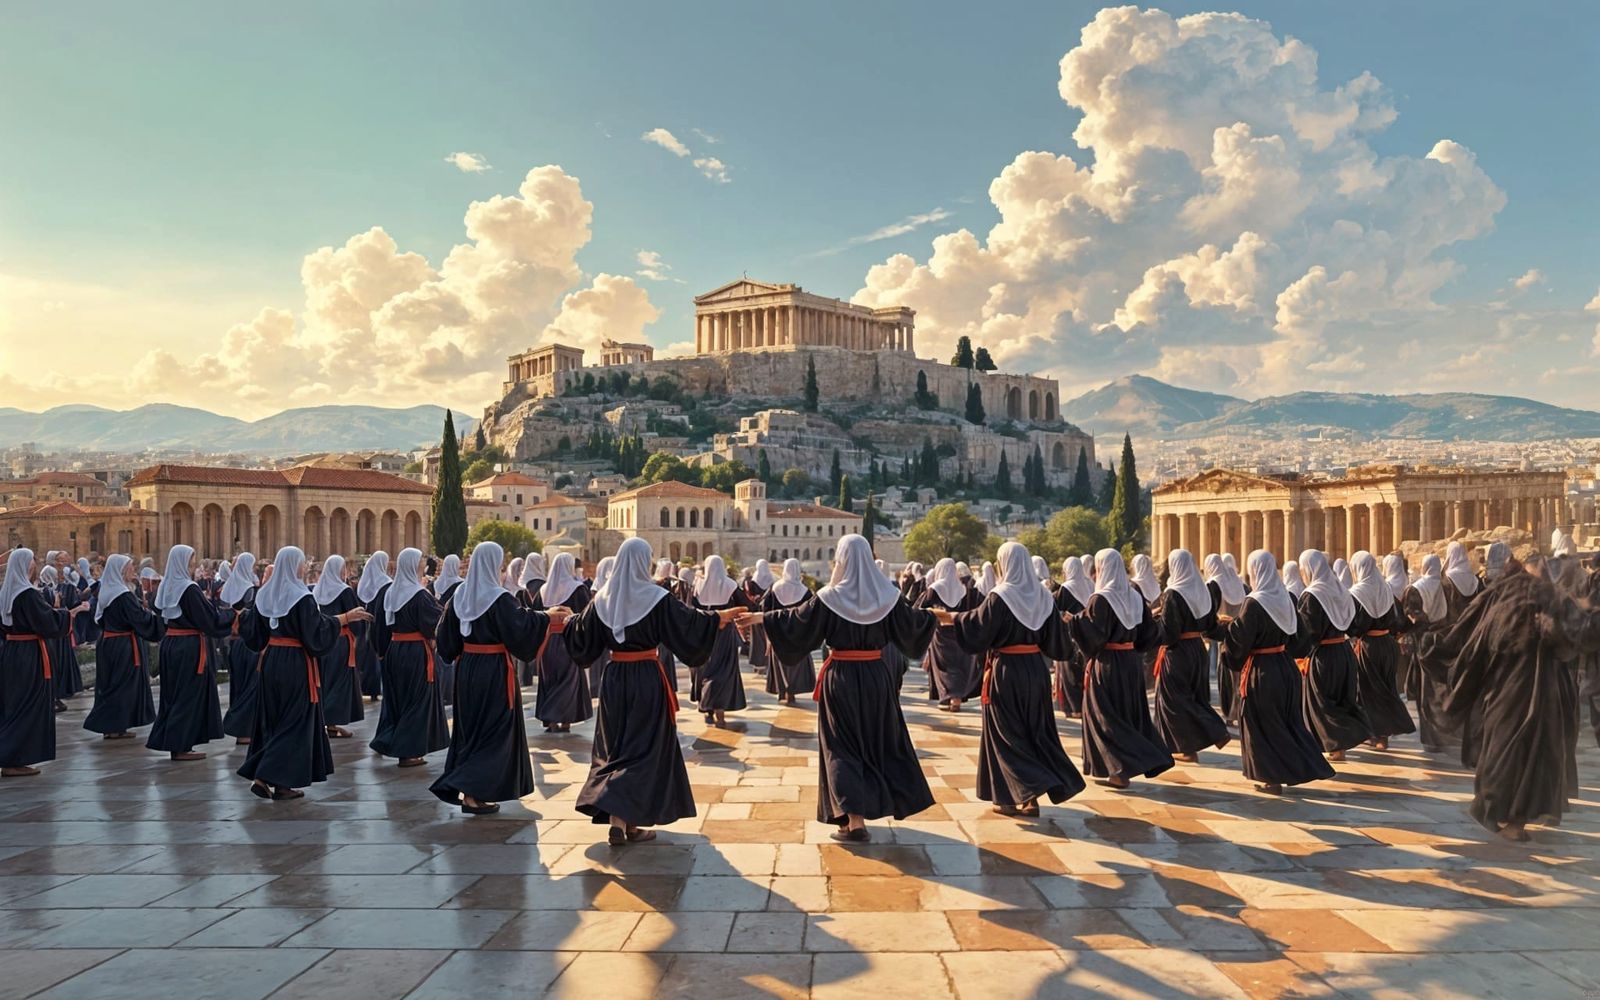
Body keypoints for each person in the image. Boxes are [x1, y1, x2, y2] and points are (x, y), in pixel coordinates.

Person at [749, 534, 938, 842]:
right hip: (877, 678)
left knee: (842, 746)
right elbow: (916, 623)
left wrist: (760, 618)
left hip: (842, 679)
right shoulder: (888, 598)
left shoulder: (829, 597)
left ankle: (854, 820)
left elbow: (796, 622)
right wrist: (942, 617)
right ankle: (875, 805)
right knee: (877, 741)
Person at [564, 537, 737, 844]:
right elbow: (690, 625)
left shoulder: (602, 598)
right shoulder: (656, 598)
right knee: (643, 749)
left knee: (615, 748)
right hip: (646, 678)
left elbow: (581, 639)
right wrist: (718, 619)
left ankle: (625, 822)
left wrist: (565, 622)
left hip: (614, 679)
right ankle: (621, 817)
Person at [1430, 550, 1598, 841]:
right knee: (1525, 749)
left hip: (1502, 686)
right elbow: (1564, 637)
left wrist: (1438, 649)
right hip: (1533, 686)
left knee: (1503, 747)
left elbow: (1475, 633)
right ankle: (1513, 820)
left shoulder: (1501, 593)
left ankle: (1503, 814)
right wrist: (1585, 613)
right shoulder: (1546, 597)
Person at [936, 542, 1085, 816]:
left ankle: (1012, 796)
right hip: (1036, 672)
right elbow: (1059, 645)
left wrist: (952, 618)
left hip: (1006, 672)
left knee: (1006, 734)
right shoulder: (1043, 596)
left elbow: (979, 628)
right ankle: (1030, 800)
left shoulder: (1000, 596)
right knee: (1033, 730)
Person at [430, 542, 565, 815]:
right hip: (494, 671)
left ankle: (470, 790)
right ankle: (471, 790)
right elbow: (521, 628)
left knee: (471, 729)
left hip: (466, 670)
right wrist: (547, 618)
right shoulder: (500, 598)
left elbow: (445, 641)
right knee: (494, 730)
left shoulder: (458, 597)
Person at [238, 546, 373, 799]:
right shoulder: (301, 597)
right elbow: (316, 634)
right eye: (302, 563)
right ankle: (267, 775)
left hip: (270, 661)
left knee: (274, 719)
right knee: (295, 720)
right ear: (294, 565)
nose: (304, 568)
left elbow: (255, 635)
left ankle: (277, 780)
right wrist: (344, 618)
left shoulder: (264, 594)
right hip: (295, 664)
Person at [1220, 550, 1335, 794]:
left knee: (1262, 725)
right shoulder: (1288, 598)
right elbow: (1301, 642)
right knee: (1286, 722)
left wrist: (1227, 630)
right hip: (1286, 668)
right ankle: (1301, 766)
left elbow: (1240, 642)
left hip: (1262, 672)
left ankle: (1271, 779)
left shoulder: (1254, 602)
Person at [1068, 549, 1171, 788]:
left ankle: (1120, 771)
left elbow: (1094, 636)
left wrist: (1073, 621)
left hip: (1107, 665)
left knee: (1106, 718)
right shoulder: (1135, 596)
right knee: (1124, 715)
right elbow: (1147, 635)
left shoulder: (1101, 599)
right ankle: (1125, 767)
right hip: (1131, 662)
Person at [146, 544, 234, 761]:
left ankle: (175, 742)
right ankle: (181, 745)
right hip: (188, 647)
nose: (193, 566)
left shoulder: (166, 587)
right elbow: (207, 618)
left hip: (171, 644)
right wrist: (232, 616)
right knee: (187, 694)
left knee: (174, 694)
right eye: (191, 561)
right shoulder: (188, 588)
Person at [1, 550, 84, 775]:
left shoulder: (6, 594)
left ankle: (13, 757)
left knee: (16, 704)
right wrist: (69, 614)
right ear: (27, 566)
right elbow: (46, 622)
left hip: (11, 653)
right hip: (29, 654)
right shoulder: (27, 594)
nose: (35, 565)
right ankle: (12, 758)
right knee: (29, 705)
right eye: (32, 561)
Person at [370, 547, 448, 766]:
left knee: (398, 699)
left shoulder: (389, 592)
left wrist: (382, 652)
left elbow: (380, 627)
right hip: (415, 653)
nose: (424, 562)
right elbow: (434, 623)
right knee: (417, 700)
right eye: (421, 560)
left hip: (395, 650)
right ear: (414, 565)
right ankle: (408, 751)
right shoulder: (419, 595)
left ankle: (388, 740)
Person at [1151, 549, 1230, 762]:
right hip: (1197, 650)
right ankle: (1187, 747)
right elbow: (1211, 627)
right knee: (1192, 696)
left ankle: (1211, 733)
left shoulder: (1172, 594)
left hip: (1178, 653)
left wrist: (1153, 620)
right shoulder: (1202, 591)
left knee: (1175, 700)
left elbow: (1169, 633)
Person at [1292, 549, 1371, 761]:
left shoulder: (1311, 595)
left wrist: (1295, 650)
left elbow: (1309, 631)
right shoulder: (1342, 590)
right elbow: (1354, 625)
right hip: (1344, 652)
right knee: (1342, 699)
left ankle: (1336, 746)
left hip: (1324, 656)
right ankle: (1340, 745)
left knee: (1323, 703)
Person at [83, 554, 162, 739]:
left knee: (111, 684)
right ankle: (113, 725)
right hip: (123, 646)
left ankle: (114, 727)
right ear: (121, 570)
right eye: (130, 567)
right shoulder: (122, 594)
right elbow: (139, 618)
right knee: (122, 686)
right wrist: (159, 620)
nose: (133, 570)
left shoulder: (107, 591)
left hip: (109, 642)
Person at [1345, 551, 1415, 751]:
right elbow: (1401, 621)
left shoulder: (1357, 592)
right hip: (1388, 644)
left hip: (1369, 646)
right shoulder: (1386, 589)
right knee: (1386, 687)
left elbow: (1354, 626)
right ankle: (1382, 735)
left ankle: (1375, 736)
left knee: (1368, 690)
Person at [530, 552, 593, 733]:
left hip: (547, 641)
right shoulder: (578, 589)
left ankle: (552, 721)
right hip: (568, 640)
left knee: (550, 679)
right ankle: (563, 719)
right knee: (569, 681)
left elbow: (534, 617)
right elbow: (586, 616)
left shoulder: (543, 591)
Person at [692, 555, 752, 727]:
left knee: (705, 669)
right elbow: (747, 604)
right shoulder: (730, 585)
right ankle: (719, 711)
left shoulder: (698, 585)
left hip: (704, 633)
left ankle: (707, 708)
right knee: (723, 671)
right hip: (724, 634)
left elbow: (691, 609)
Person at [914, 558, 980, 712]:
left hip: (941, 635)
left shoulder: (934, 589)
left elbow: (917, 609)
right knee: (958, 665)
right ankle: (955, 698)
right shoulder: (964, 589)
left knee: (944, 667)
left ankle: (948, 697)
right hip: (960, 632)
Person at [312, 554, 363, 739]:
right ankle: (332, 722)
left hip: (324, 640)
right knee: (339, 682)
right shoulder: (345, 591)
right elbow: (356, 620)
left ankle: (326, 722)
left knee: (325, 680)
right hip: (341, 642)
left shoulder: (317, 590)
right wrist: (357, 634)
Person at [218, 552, 260, 743]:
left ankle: (240, 729)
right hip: (248, 642)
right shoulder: (249, 589)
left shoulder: (227, 587)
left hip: (232, 641)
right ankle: (244, 730)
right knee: (250, 685)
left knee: (238, 684)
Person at [761, 558, 816, 706]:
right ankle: (791, 692)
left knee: (779, 661)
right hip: (797, 633)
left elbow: (765, 610)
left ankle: (781, 691)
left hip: (777, 630)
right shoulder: (805, 592)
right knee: (795, 662)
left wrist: (768, 635)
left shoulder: (774, 588)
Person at [1205, 553, 1248, 723]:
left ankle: (1229, 714)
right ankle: (1238, 712)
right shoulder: (1238, 583)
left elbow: (1210, 613)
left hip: (1224, 635)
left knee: (1227, 677)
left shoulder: (1214, 584)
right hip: (1241, 634)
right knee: (1238, 675)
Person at [1052, 557, 1093, 718]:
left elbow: (1052, 609)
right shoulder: (1090, 585)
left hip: (1070, 636)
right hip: (1088, 635)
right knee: (1085, 672)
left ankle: (1074, 708)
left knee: (1070, 673)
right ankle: (1086, 706)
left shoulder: (1066, 589)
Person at [39, 565, 82, 713]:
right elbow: (50, 611)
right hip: (53, 636)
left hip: (58, 634)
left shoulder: (52, 589)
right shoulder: (45, 590)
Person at [355, 551, 391, 701]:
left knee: (365, 659)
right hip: (380, 627)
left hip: (363, 627)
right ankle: (375, 690)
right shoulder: (387, 584)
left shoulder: (362, 583)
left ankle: (363, 688)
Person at [431, 553, 465, 704]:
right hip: (454, 628)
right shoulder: (461, 586)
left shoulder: (433, 585)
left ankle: (440, 692)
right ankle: (449, 694)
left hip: (435, 628)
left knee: (439, 662)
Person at [745, 559, 774, 675]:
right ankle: (768, 663)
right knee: (768, 636)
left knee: (757, 639)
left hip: (756, 613)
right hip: (767, 613)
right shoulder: (772, 580)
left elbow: (749, 596)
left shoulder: (753, 581)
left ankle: (759, 664)